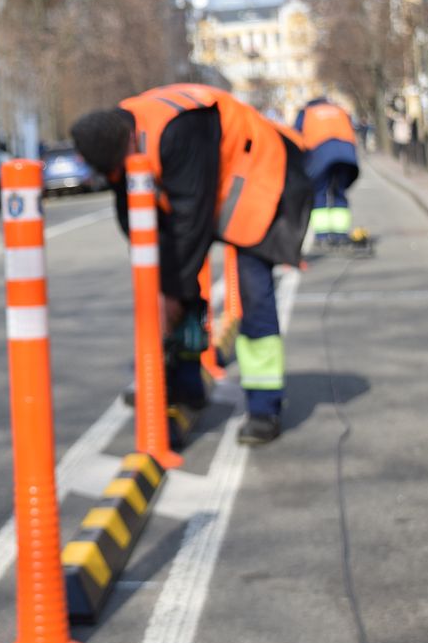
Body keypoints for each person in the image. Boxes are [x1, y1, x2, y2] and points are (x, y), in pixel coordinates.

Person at [70, 84, 312, 446]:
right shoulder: (117, 132)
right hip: (208, 186)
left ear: (129, 144)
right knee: (173, 283)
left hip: (256, 175)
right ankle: (187, 386)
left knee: (252, 291)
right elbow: (133, 217)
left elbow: (190, 224)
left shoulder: (179, 131)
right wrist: (157, 284)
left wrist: (173, 294)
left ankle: (264, 408)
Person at [294, 97, 359, 249]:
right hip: (346, 155)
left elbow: (296, 135)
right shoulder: (340, 109)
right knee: (339, 192)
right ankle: (340, 234)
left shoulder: (307, 112)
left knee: (319, 193)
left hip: (320, 154)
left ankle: (322, 236)